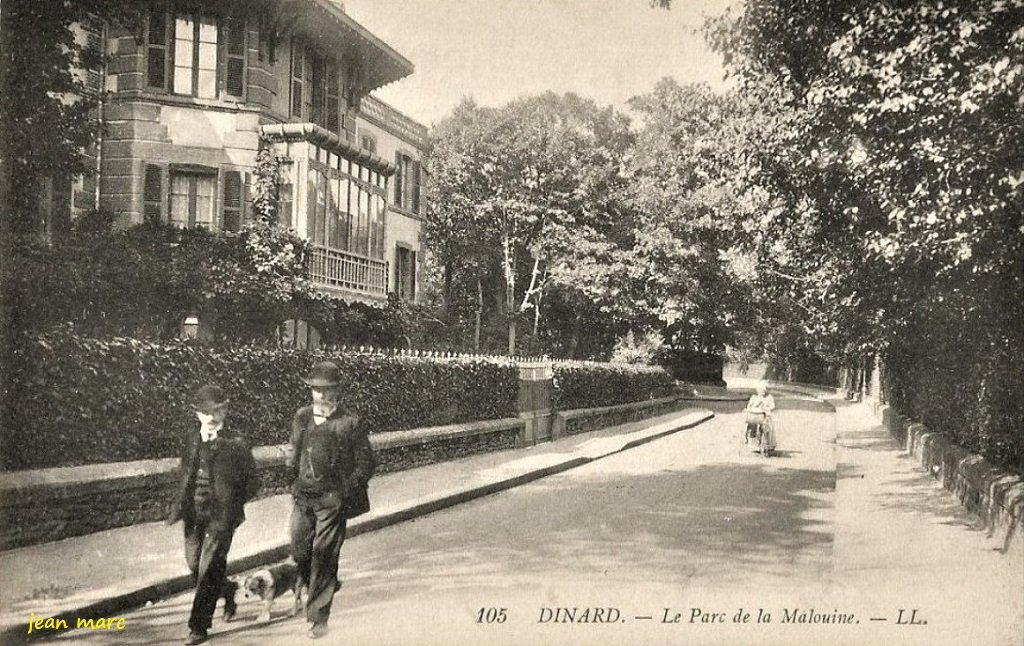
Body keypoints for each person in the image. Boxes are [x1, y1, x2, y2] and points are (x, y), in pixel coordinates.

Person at [288, 361, 376, 640]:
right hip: (303, 496)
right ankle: (324, 584)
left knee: (324, 554)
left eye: (329, 391)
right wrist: (292, 480)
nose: (323, 397)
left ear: (338, 393)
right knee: (300, 548)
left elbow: (366, 464)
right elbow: (295, 451)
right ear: (311, 391)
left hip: (332, 500)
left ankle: (318, 618)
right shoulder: (301, 417)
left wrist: (343, 492)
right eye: (318, 391)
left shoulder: (351, 423)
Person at [167, 384, 260, 646]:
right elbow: (186, 473)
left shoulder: (237, 444)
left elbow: (253, 482)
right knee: (195, 565)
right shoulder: (191, 438)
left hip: (221, 519)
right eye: (206, 412)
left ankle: (198, 626)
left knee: (208, 570)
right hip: (194, 514)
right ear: (197, 414)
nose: (211, 417)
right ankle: (227, 589)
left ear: (225, 412)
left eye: (217, 411)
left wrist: (232, 505)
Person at [744, 383, 777, 454]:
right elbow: (749, 407)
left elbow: (773, 406)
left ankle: (767, 445)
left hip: (765, 416)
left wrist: (767, 408)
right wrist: (757, 403)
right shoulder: (754, 397)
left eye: (764, 391)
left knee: (766, 427)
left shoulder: (769, 397)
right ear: (758, 391)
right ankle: (754, 444)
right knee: (752, 426)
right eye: (761, 391)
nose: (763, 392)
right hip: (754, 416)